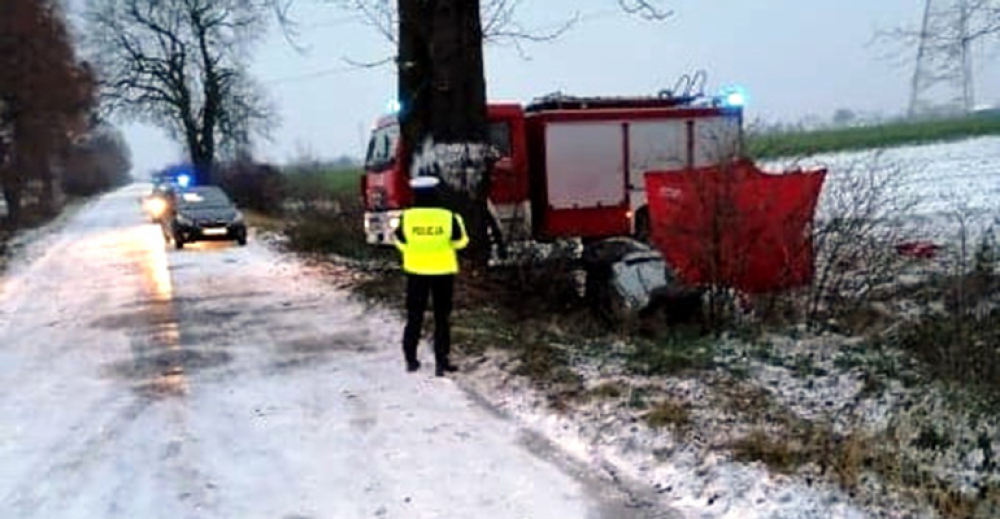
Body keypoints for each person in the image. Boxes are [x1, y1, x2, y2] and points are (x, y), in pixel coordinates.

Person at [394, 175, 469, 376]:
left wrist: (416, 251)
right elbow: (461, 242)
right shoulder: (448, 216)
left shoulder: (407, 218)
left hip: (416, 273)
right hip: (443, 272)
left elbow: (400, 242)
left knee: (414, 317)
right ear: (436, 193)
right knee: (441, 318)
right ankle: (441, 362)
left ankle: (411, 360)